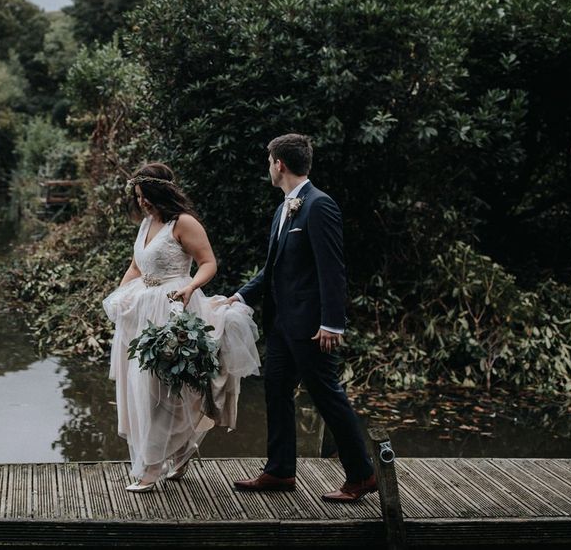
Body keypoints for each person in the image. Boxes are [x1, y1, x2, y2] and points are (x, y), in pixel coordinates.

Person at [229, 134, 377, 503]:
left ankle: (362, 475)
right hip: (280, 325)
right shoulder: (284, 208)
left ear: (279, 163)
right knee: (276, 392)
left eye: (269, 160)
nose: (268, 167)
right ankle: (280, 471)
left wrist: (333, 323)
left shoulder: (319, 205)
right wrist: (241, 294)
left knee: (327, 396)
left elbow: (332, 269)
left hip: (312, 327)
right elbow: (273, 268)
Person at [102, 162, 260, 492]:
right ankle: (179, 451)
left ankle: (151, 467)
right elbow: (135, 265)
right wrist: (118, 297)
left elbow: (208, 263)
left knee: (165, 387)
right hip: (141, 309)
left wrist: (189, 288)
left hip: (174, 306)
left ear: (159, 191)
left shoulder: (183, 222)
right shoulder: (147, 223)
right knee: (144, 389)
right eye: (138, 196)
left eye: (144, 195)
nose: (141, 202)